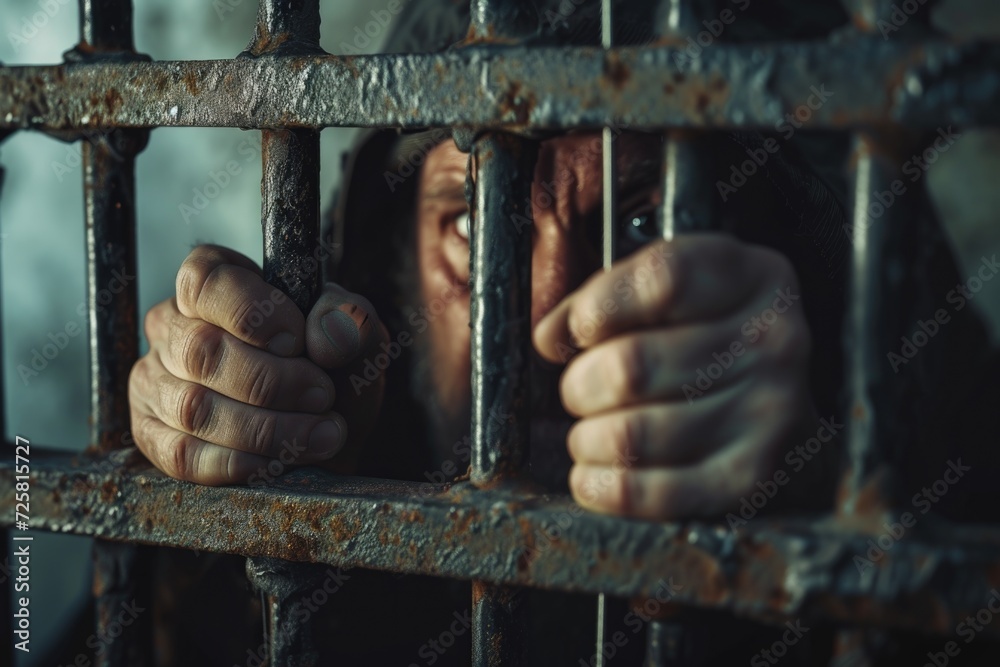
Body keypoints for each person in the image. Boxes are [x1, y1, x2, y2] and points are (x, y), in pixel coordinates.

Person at [123, 1, 1000, 664]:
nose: (542, 326)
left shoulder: (883, 441)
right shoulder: (359, 413)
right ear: (389, 252)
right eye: (472, 226)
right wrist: (224, 507)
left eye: (643, 222)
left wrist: (820, 510)